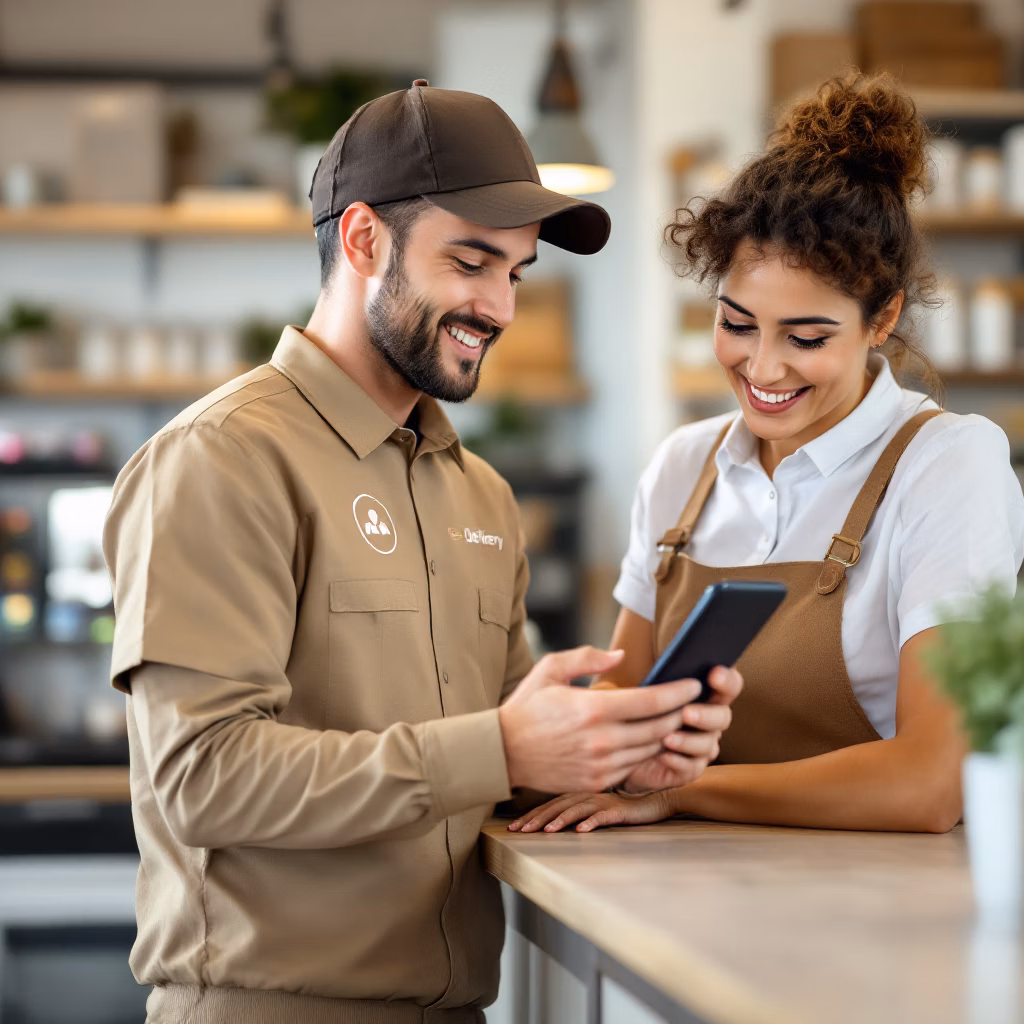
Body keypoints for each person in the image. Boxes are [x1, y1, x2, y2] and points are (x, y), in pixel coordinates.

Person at [102, 82, 741, 1024]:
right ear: (363, 241)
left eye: (516, 274)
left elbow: (492, 762)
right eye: (471, 262)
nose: (499, 306)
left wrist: (608, 757)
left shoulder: (478, 493)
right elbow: (203, 777)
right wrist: (502, 743)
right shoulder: (222, 459)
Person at [513, 73, 1024, 838]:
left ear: (881, 318)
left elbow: (929, 782)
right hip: (684, 900)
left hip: (881, 920)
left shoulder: (947, 466)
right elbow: (612, 738)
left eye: (806, 338)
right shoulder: (683, 469)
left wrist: (687, 793)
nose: (762, 368)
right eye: (737, 322)